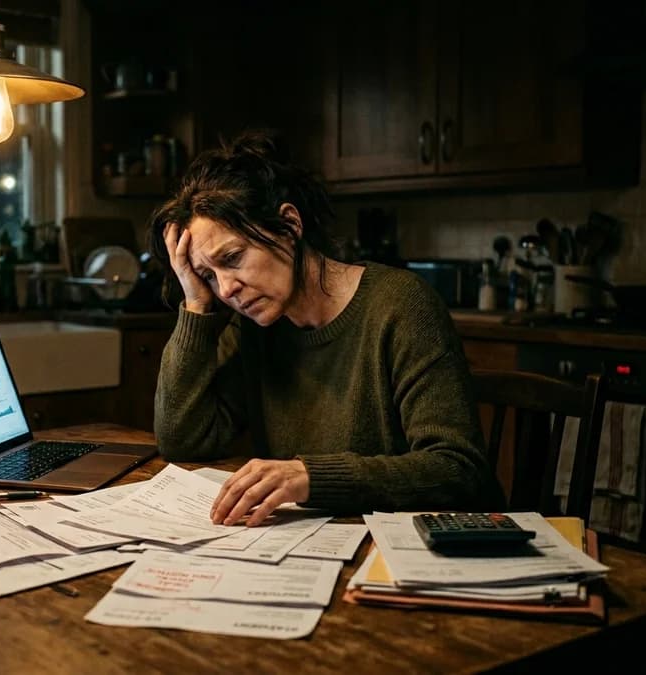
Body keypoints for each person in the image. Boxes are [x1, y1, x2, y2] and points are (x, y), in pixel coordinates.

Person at [147, 131, 506, 527]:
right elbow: (183, 441)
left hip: (424, 549)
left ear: (289, 224)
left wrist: (311, 477)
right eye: (207, 275)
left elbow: (457, 469)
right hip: (316, 545)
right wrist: (196, 304)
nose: (226, 288)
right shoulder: (253, 324)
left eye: (232, 258)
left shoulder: (401, 305)